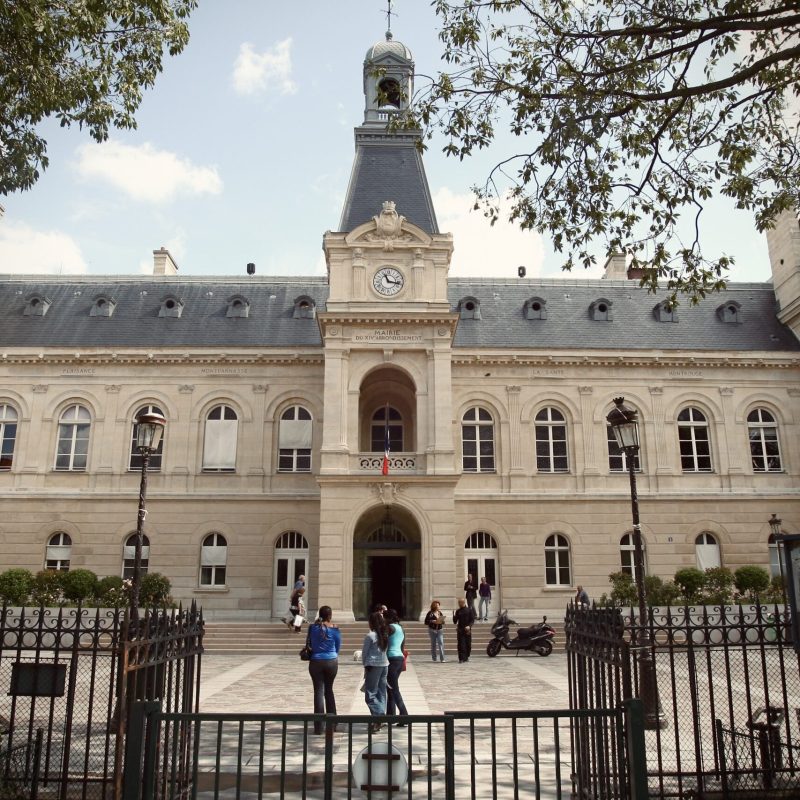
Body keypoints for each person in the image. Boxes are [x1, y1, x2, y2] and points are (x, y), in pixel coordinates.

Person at [307, 605, 341, 734]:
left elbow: (310, 643)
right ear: (330, 615)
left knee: (318, 692)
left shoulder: (313, 628)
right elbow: (337, 646)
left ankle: (318, 726)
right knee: (329, 691)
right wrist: (332, 654)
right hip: (331, 661)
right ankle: (332, 723)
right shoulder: (335, 629)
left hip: (316, 661)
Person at [361, 611, 390, 731]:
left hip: (373, 665)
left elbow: (364, 653)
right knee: (381, 693)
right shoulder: (384, 634)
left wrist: (365, 665)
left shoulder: (370, 636)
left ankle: (379, 716)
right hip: (384, 664)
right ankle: (378, 721)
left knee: (370, 694)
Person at [384, 609, 409, 725]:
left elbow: (384, 644)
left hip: (391, 659)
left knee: (394, 689)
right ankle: (391, 716)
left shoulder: (389, 628)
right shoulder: (401, 628)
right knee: (390, 688)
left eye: (384, 617)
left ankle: (404, 715)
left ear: (388, 618)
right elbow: (402, 645)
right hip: (399, 658)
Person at [453, 597, 476, 663]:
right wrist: (454, 616)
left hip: (467, 630)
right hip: (460, 630)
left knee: (468, 645)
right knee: (461, 644)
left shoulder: (469, 610)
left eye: (459, 603)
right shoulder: (458, 611)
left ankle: (466, 656)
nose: (458, 604)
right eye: (458, 603)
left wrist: (469, 626)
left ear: (462, 602)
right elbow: (455, 621)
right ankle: (461, 658)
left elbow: (472, 620)